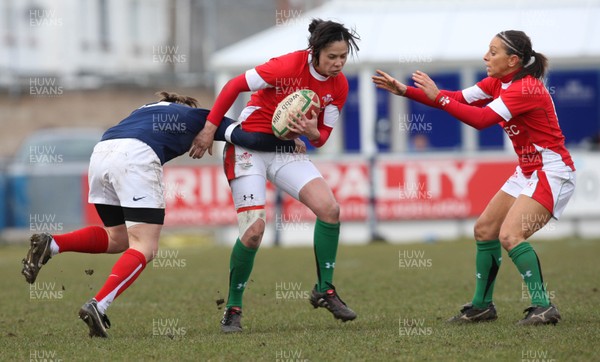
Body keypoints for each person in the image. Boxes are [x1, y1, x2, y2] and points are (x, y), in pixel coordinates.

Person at [21, 91, 305, 338]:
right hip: (136, 157)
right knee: (145, 246)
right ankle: (99, 304)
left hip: (102, 152)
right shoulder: (200, 118)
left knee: (117, 238)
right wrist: (287, 143)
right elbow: (245, 136)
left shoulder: (144, 110)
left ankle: (54, 244)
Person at [373, 30, 575, 325]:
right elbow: (456, 98)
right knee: (485, 230)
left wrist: (438, 98)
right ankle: (482, 306)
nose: (486, 56)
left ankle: (543, 306)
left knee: (510, 235)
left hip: (552, 171)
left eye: (493, 52)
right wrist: (405, 91)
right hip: (528, 170)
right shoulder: (497, 82)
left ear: (513, 60)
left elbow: (479, 120)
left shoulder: (526, 89)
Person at [188, 19, 360, 332]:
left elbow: (322, 137)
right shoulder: (287, 66)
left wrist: (311, 132)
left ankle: (325, 289)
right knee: (253, 232)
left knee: (330, 209)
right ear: (315, 52)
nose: (338, 64)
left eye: (343, 57)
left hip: (284, 151)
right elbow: (233, 85)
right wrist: (210, 128)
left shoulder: (339, 86)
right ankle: (233, 308)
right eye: (332, 57)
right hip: (247, 150)